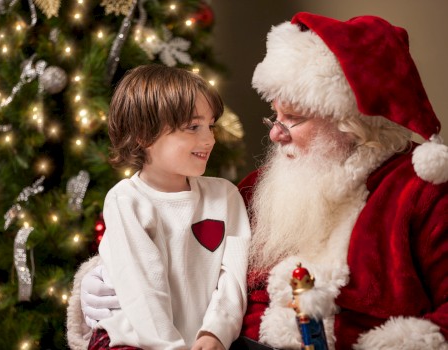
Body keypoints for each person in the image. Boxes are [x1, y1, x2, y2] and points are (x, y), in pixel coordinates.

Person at [68, 13, 448, 350]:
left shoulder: (421, 193)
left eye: (294, 117)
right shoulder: (259, 188)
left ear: (352, 122)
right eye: (274, 116)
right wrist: (101, 278)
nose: (275, 135)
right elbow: (173, 252)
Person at [69, 64, 252, 350]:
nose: (209, 139)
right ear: (144, 134)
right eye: (193, 127)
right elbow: (143, 293)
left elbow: (233, 277)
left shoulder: (225, 197)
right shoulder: (127, 201)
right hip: (136, 342)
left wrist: (216, 332)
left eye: (210, 125)